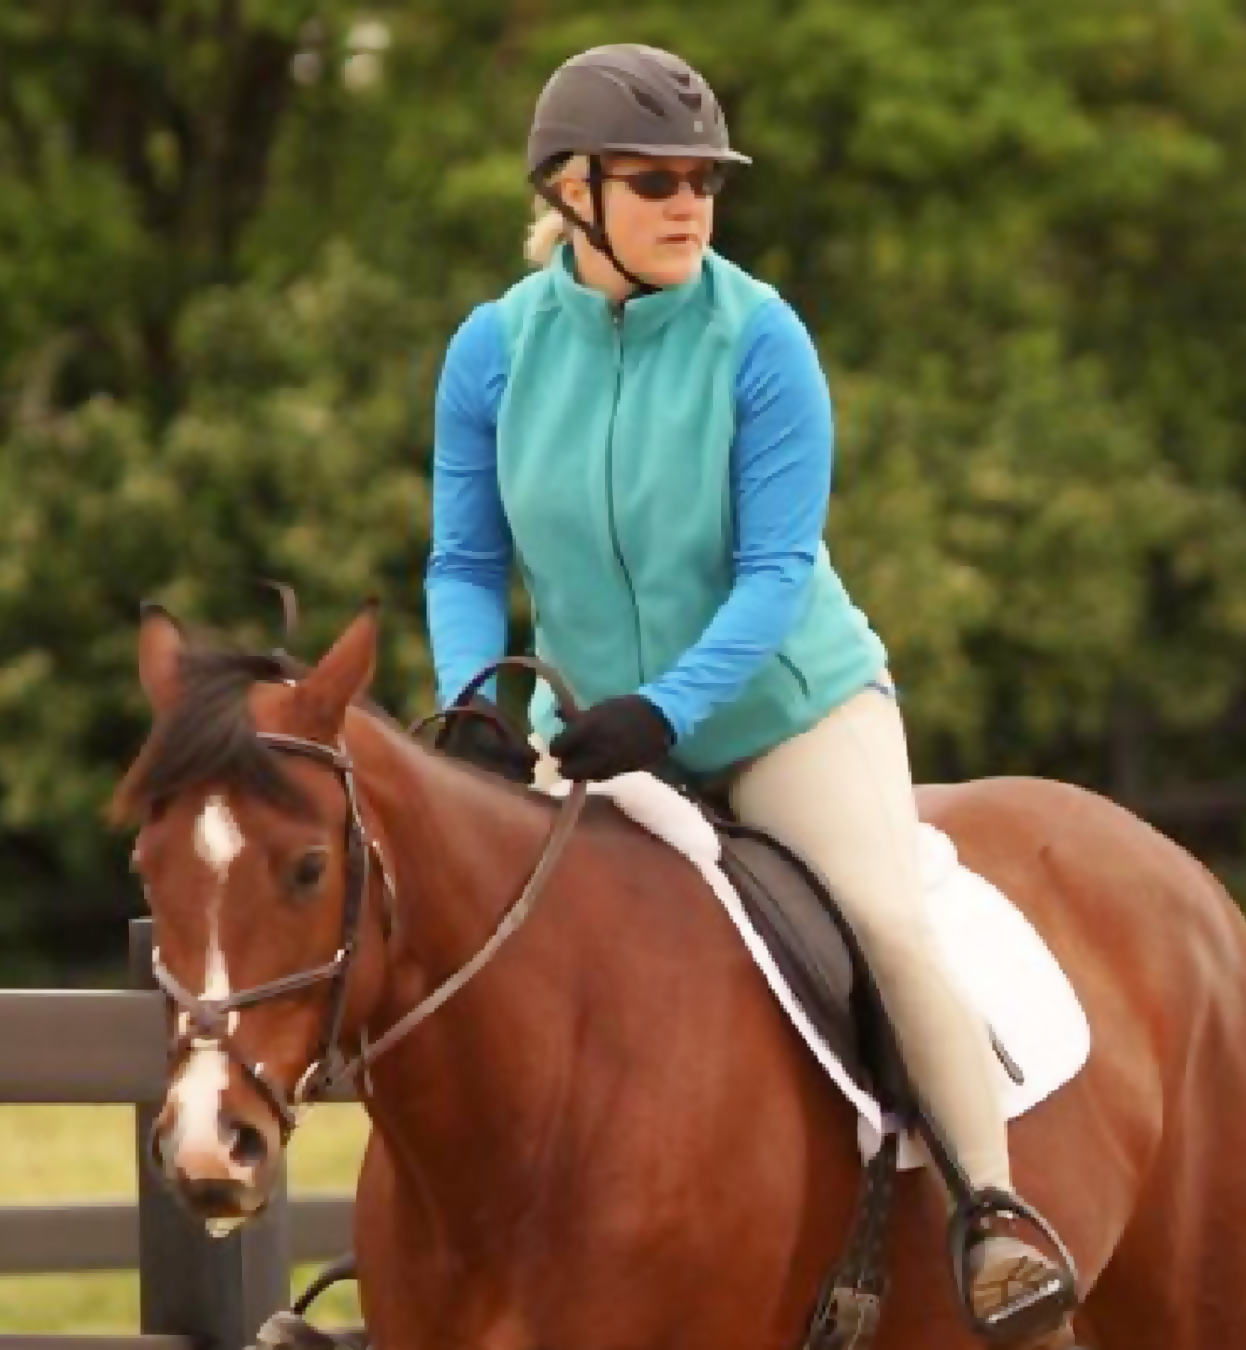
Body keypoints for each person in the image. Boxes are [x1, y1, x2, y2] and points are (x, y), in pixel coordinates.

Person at [423, 42, 1073, 1346]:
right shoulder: (492, 350)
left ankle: (993, 1216)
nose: (688, 206)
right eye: (655, 179)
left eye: (705, 182)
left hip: (788, 711)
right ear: (569, 191)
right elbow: (464, 556)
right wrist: (476, 706)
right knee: (460, 951)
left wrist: (664, 711)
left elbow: (778, 572)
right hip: (592, 731)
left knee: (889, 921)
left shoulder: (760, 337)